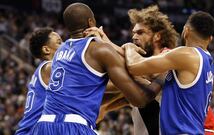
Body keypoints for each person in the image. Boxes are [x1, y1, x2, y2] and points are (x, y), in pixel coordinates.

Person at [31, 3, 162, 135]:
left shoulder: (60, 52)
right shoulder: (99, 50)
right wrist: (162, 78)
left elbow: (84, 92)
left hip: (43, 125)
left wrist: (106, 106)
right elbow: (139, 99)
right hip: (73, 126)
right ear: (91, 22)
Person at [85, 5, 178, 135]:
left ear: (157, 36)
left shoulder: (169, 56)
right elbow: (131, 77)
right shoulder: (138, 66)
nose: (134, 37)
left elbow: (143, 70)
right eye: (133, 32)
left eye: (140, 32)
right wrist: (104, 108)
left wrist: (109, 44)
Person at [123, 11, 214, 134]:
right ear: (210, 39)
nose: (135, 36)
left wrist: (129, 47)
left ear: (186, 31)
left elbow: (134, 66)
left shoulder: (185, 54)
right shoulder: (208, 61)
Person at [15, 28, 62, 135]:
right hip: (34, 130)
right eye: (59, 43)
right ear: (46, 50)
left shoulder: (43, 69)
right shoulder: (50, 67)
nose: (64, 46)